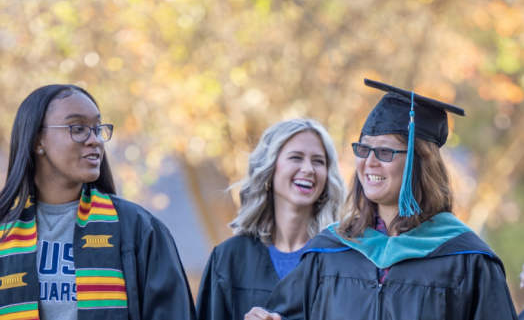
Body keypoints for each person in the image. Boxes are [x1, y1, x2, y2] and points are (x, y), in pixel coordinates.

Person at [245, 79, 518, 320]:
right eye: (364, 149)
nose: (369, 162)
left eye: (385, 152)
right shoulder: (329, 252)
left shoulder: (467, 259)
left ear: (419, 162)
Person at [0, 85, 196, 320]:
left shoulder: (138, 229)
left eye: (97, 129)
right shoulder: (5, 229)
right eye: (78, 128)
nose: (94, 140)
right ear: (36, 140)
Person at [196, 119, 346, 320]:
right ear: (269, 167)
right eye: (296, 157)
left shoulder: (342, 262)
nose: (308, 169)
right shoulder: (228, 259)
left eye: (318, 161)